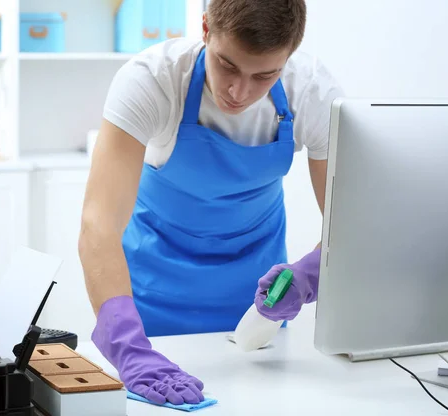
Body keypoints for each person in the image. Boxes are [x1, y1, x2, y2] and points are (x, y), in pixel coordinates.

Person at [78, 0, 343, 406]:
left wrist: (312, 273)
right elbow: (98, 225)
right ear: (205, 28)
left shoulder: (312, 91)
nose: (240, 92)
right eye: (228, 65)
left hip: (255, 313)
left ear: (288, 58)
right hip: (151, 305)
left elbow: (348, 224)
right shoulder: (153, 80)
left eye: (265, 76)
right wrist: (127, 345)